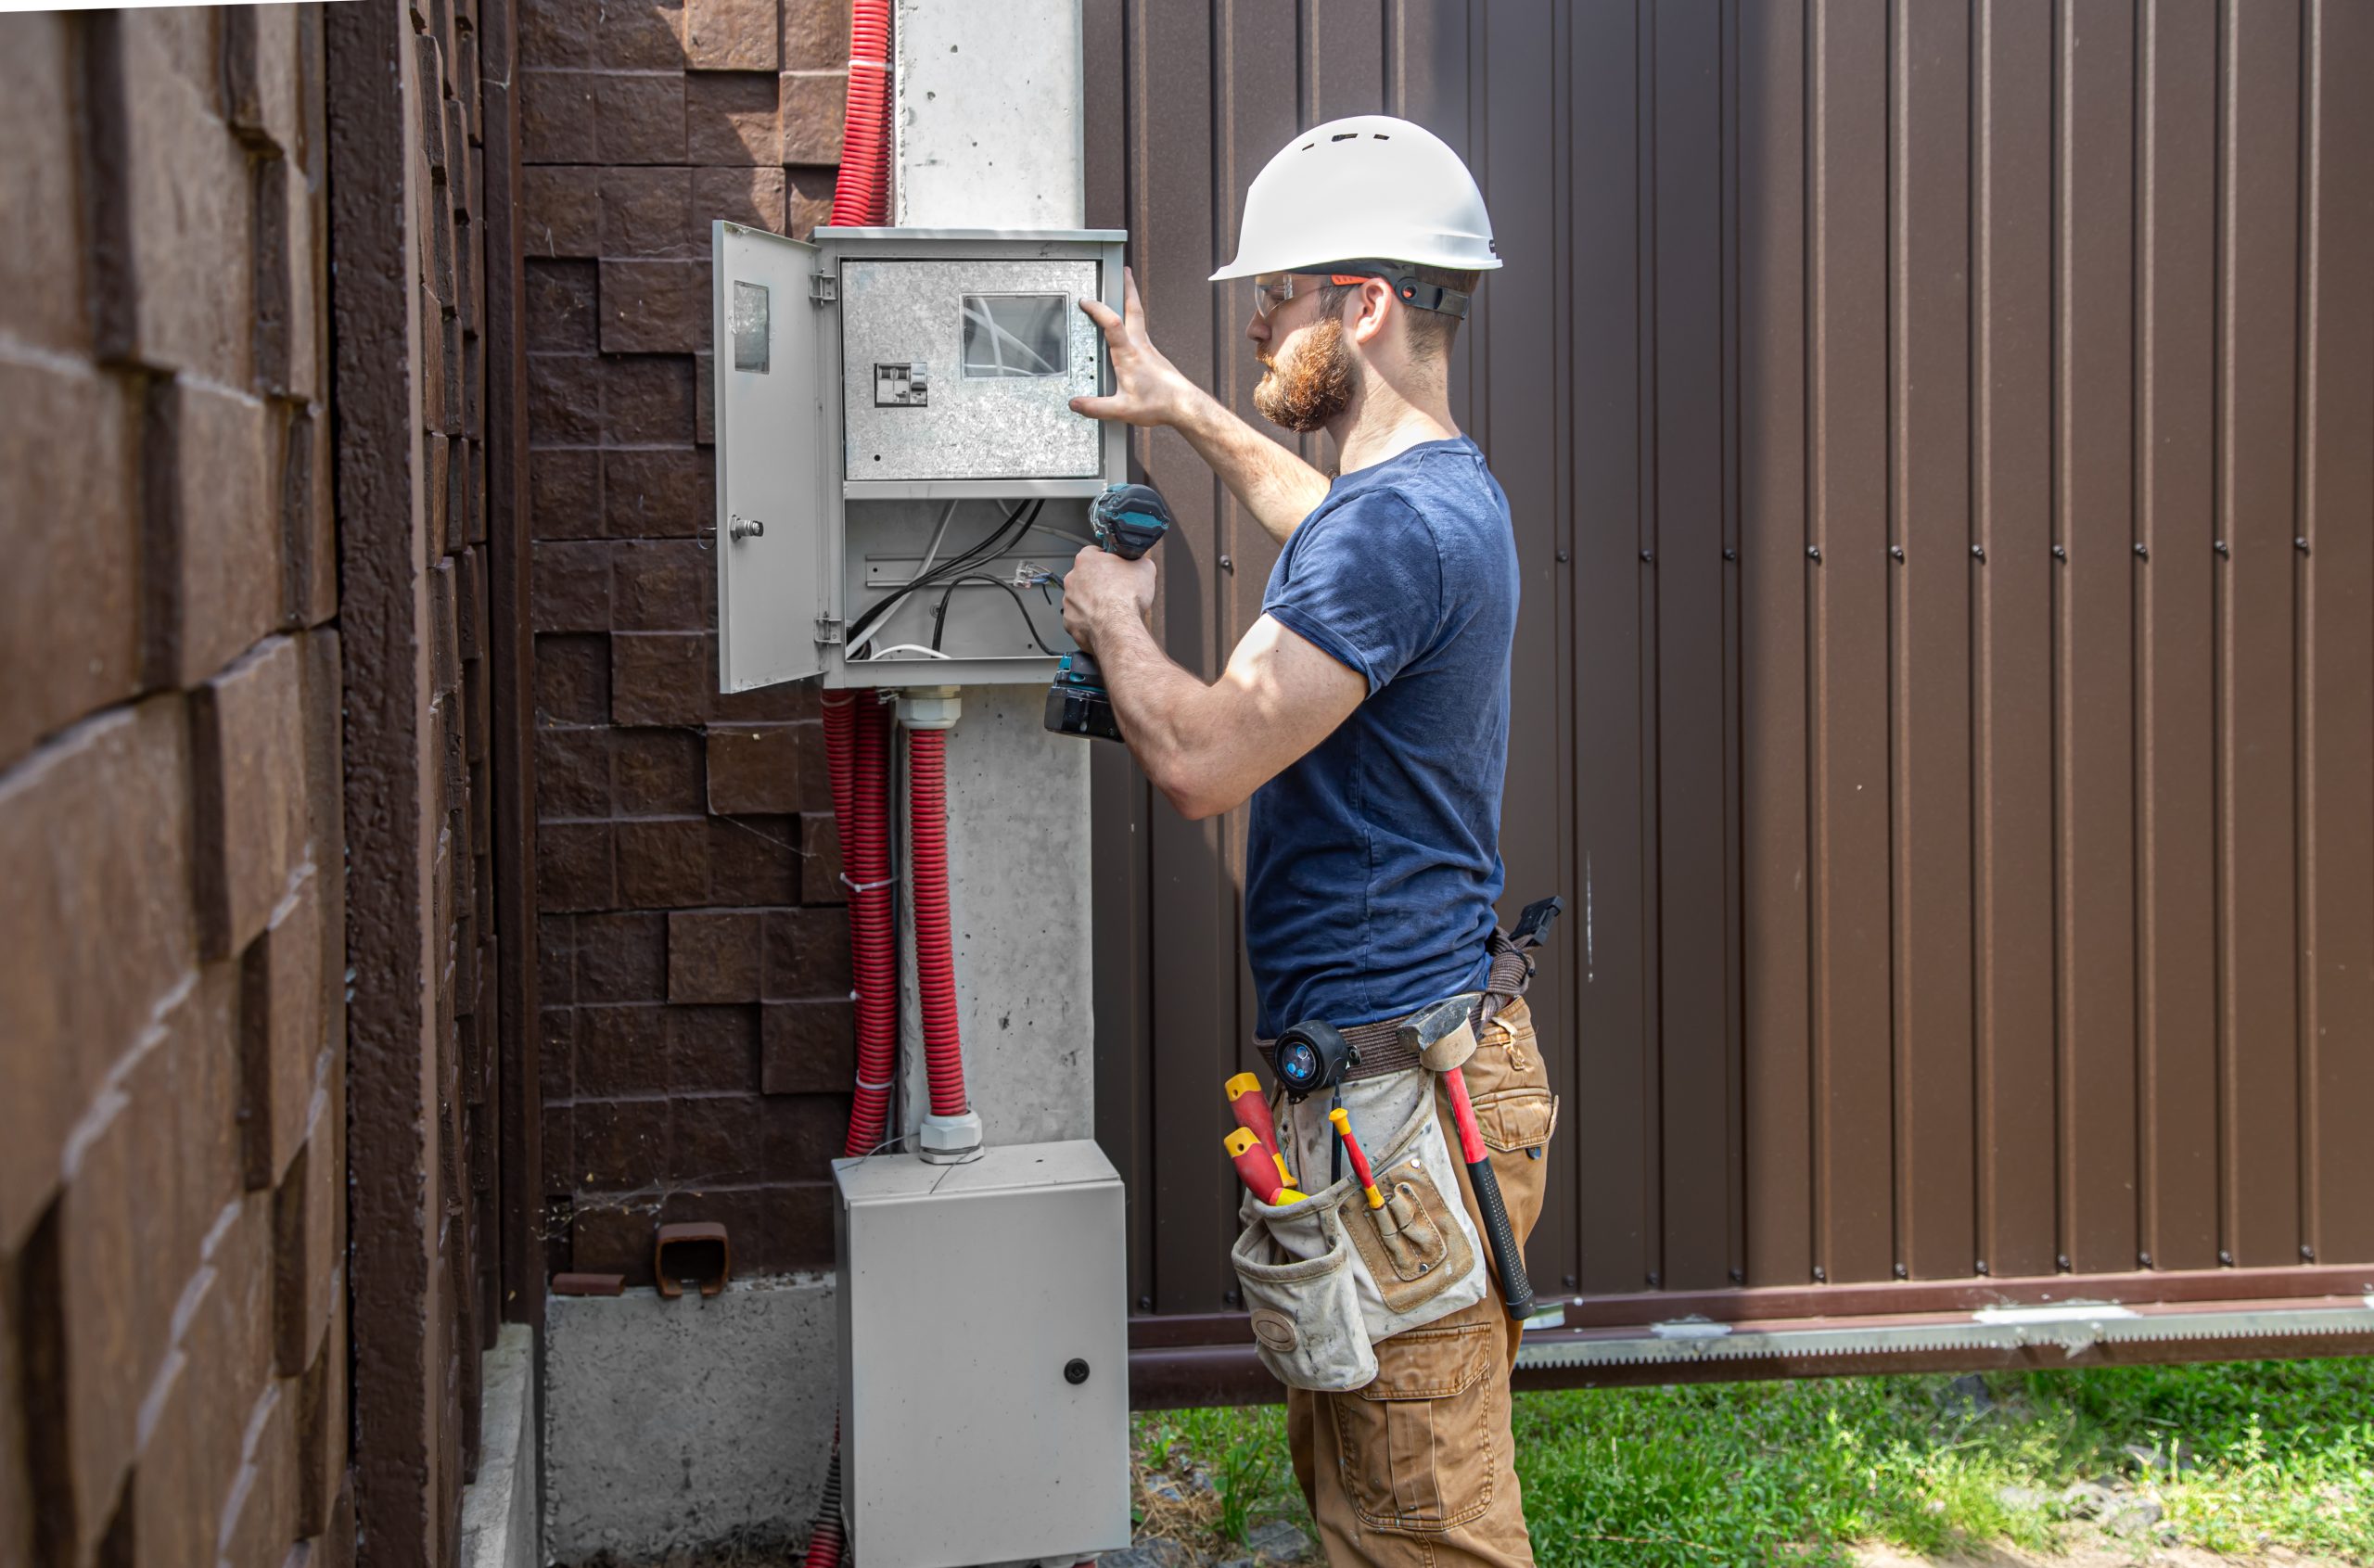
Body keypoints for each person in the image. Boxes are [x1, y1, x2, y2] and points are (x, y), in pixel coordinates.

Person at [1059, 116, 1550, 1567]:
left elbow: (1205, 760)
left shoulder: (1391, 536)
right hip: (1397, 1087)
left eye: (1274, 297)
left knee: (1422, 1526)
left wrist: (1111, 623)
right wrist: (1183, 408)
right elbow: (1320, 525)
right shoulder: (1436, 501)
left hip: (1406, 1109)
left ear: (1366, 307)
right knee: (1365, 1496)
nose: (1258, 322)